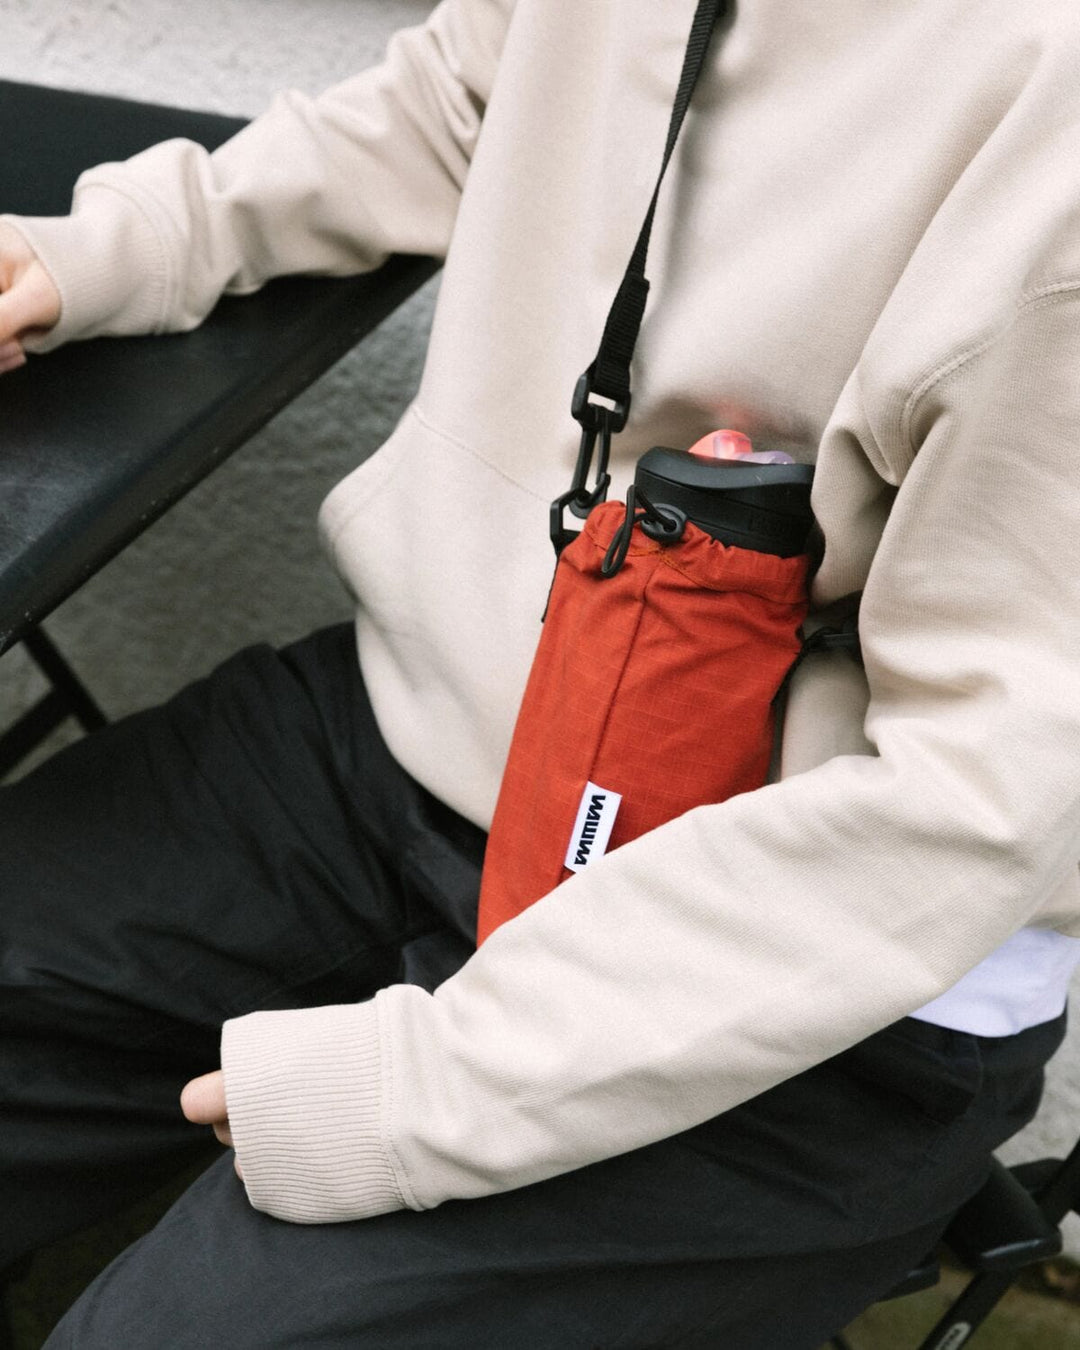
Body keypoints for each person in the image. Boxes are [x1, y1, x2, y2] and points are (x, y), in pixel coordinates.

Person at [3, 1, 1080, 1345]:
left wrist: (421, 1091)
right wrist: (109, 246)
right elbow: (467, 96)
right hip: (420, 745)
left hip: (817, 973)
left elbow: (975, 801)